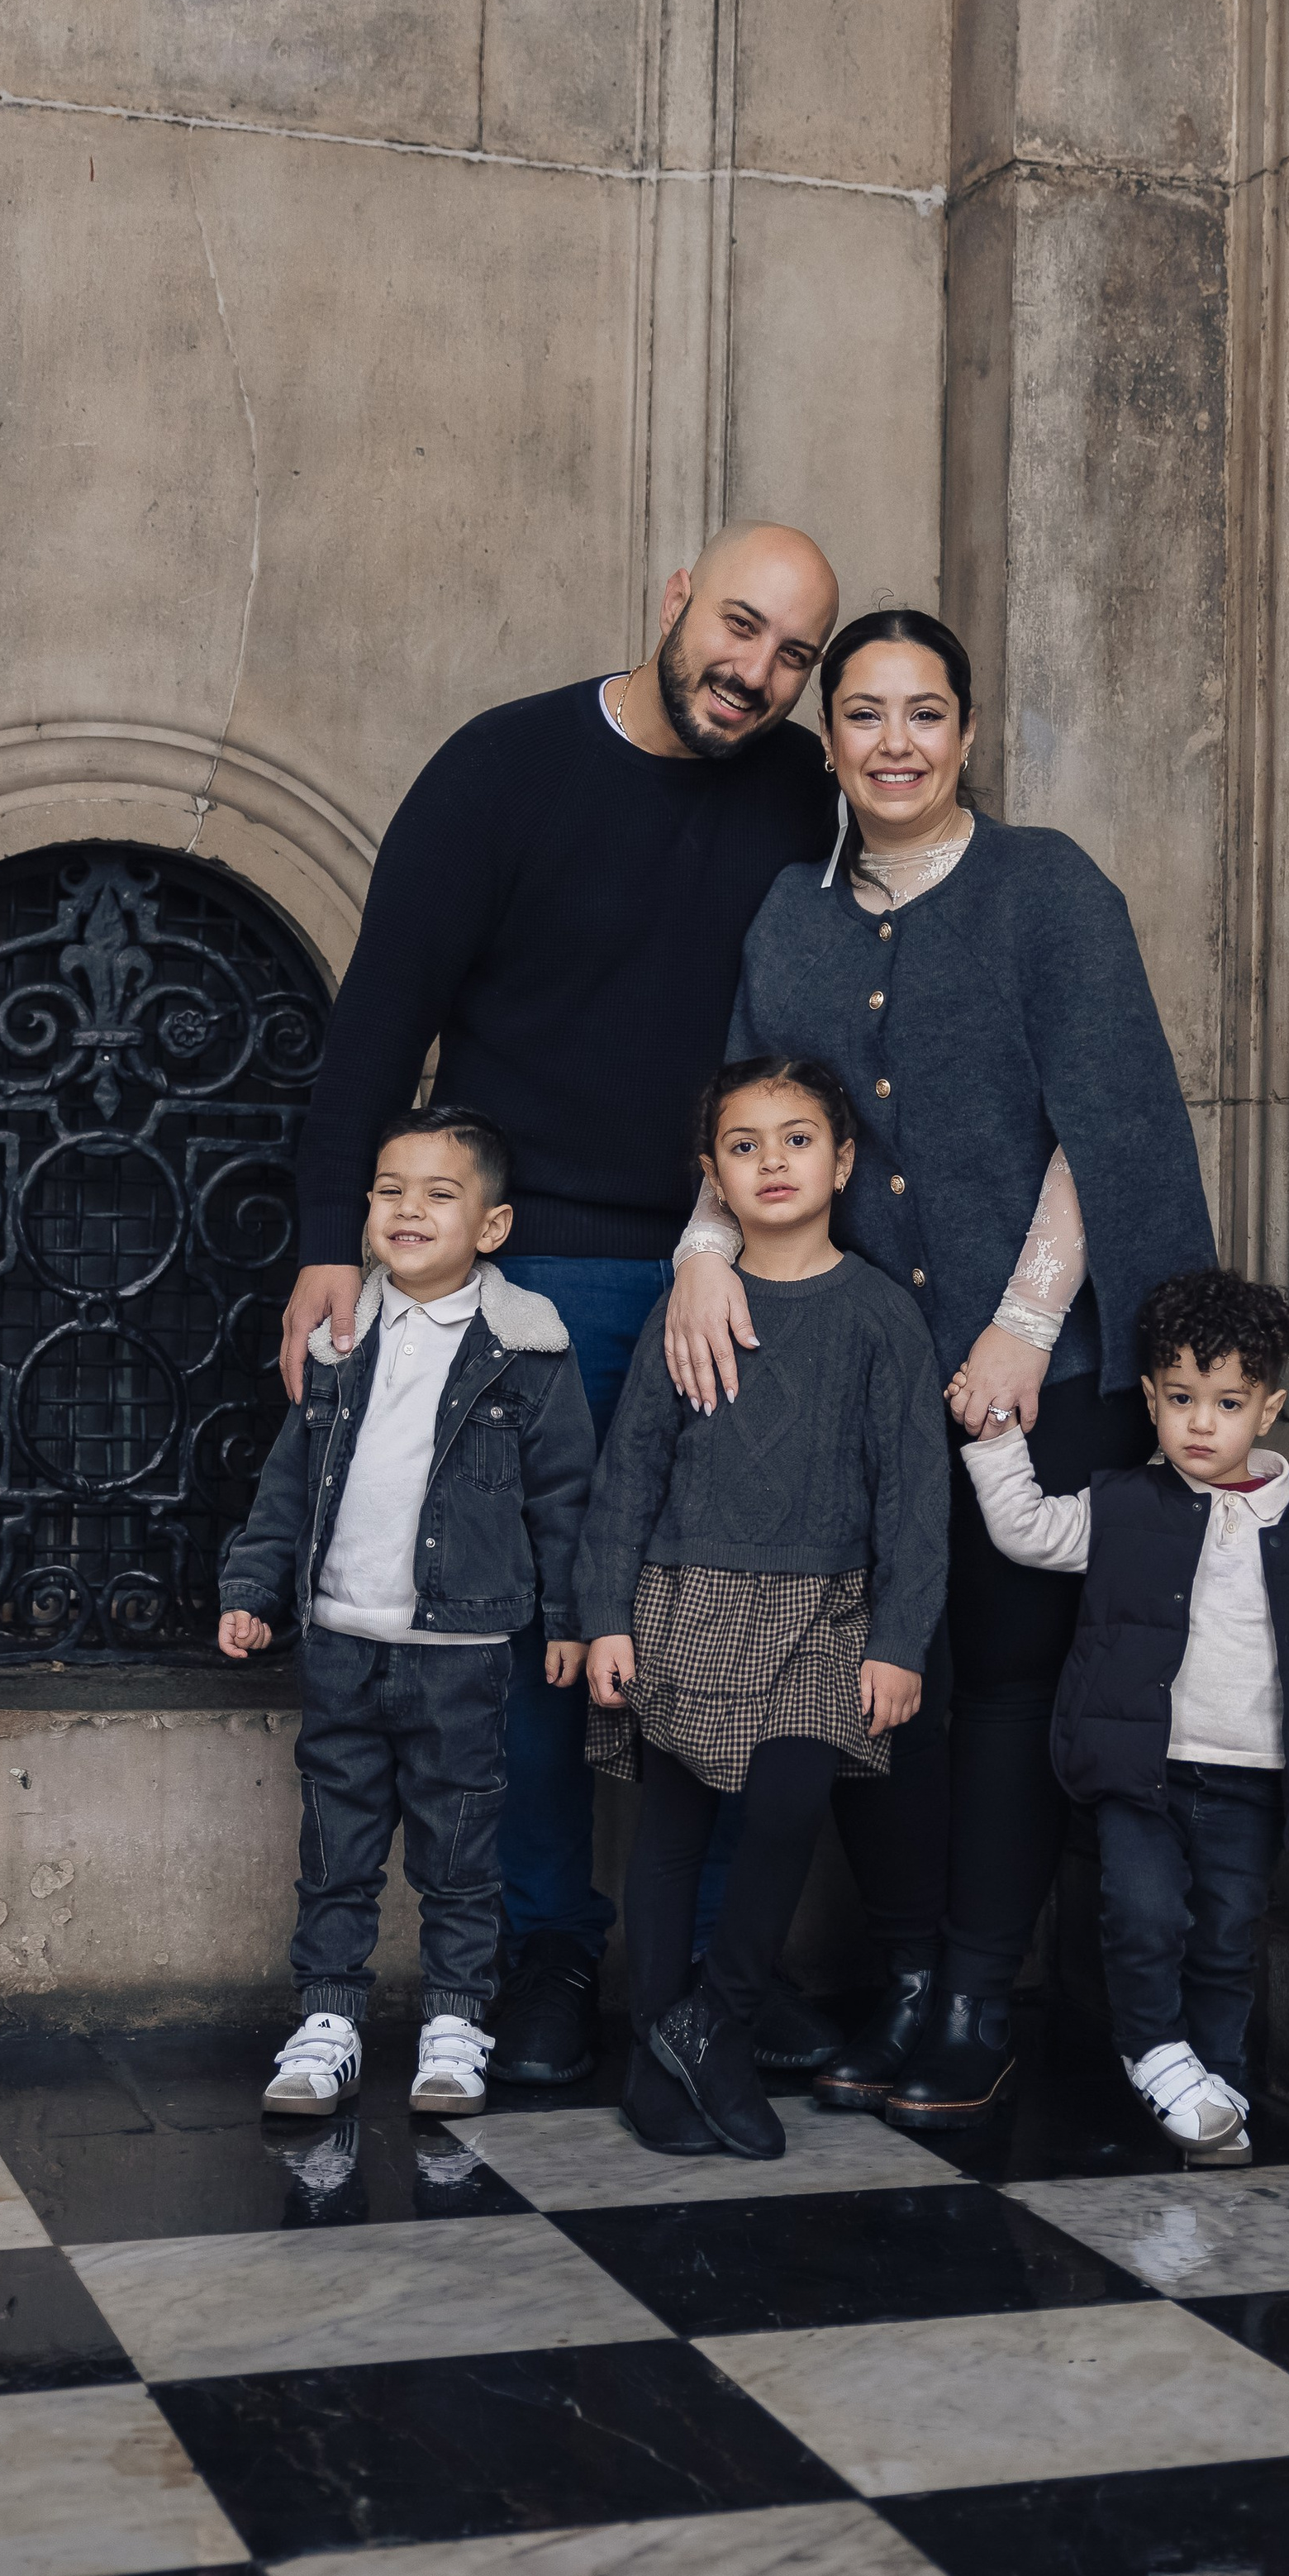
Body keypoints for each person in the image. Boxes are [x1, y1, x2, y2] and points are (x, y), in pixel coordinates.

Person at [278, 524, 840, 2088]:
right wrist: (337, 1232)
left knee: (734, 1612)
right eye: (739, 626)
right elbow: (384, 1009)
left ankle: (724, 1961)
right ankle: (541, 1950)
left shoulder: (807, 794)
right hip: (521, 1275)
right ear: (675, 599)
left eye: (795, 654)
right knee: (511, 1627)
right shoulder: (502, 769)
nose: (758, 672)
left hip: (726, 1259)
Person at [666, 607, 1216, 2129]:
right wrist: (701, 1253)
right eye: (863, 714)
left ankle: (978, 1997)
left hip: (1049, 1365)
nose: (895, 742)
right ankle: (906, 1976)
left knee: (1006, 1676)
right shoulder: (793, 914)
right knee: (873, 1674)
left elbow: (1101, 1130)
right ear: (827, 740)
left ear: (969, 733)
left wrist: (1024, 1328)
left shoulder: (1049, 889)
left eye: (925, 713)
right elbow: (750, 1112)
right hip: (865, 1373)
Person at [569, 1058, 948, 2158]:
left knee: (786, 1808)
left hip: (827, 1608)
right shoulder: (686, 1311)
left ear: (843, 1162)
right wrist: (605, 1616)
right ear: (712, 1177)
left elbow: (916, 1501)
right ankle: (656, 2053)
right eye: (744, 1145)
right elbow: (629, 1471)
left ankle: (715, 2025)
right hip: (689, 1595)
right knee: (673, 1828)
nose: (771, 1161)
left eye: (796, 1139)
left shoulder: (879, 1316)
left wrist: (899, 1640)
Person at [963, 1266, 1289, 2163]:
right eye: (1182, 1399)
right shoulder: (1126, 1508)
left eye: (1226, 1402)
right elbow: (1028, 1530)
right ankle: (1155, 2051)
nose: (1202, 1423)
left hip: (1253, 1777)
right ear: (1152, 1399)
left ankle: (1218, 2078)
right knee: (1144, 1914)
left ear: (1265, 1411)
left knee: (1229, 1933)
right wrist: (994, 1436)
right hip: (1143, 1771)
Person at [219, 1107, 595, 2118]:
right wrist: (253, 1591)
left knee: (460, 1856)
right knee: (336, 1849)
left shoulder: (529, 1350)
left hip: (462, 1655)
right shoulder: (346, 1340)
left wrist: (569, 1618)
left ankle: (456, 2022)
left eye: (439, 1193)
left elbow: (564, 1501)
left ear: (493, 1225)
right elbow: (286, 1486)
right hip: (342, 1642)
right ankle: (327, 2022)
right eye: (390, 1190)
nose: (408, 1209)